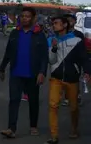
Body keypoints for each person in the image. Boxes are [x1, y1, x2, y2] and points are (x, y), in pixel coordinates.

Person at [0, 6, 49, 139]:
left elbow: (44, 56)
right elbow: (8, 52)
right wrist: (2, 67)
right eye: (22, 16)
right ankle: (11, 128)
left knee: (33, 101)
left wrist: (42, 72)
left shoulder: (39, 34)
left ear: (33, 18)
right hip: (16, 73)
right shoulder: (15, 33)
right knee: (14, 100)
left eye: (27, 16)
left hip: (32, 74)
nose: (24, 18)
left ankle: (33, 126)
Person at [45, 16, 91, 144]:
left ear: (64, 25)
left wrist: (87, 71)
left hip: (72, 79)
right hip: (56, 78)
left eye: (56, 23)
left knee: (73, 107)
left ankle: (74, 129)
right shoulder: (50, 40)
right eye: (53, 23)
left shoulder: (77, 40)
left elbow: (84, 58)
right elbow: (51, 60)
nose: (53, 25)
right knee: (53, 105)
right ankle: (54, 136)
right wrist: (53, 48)